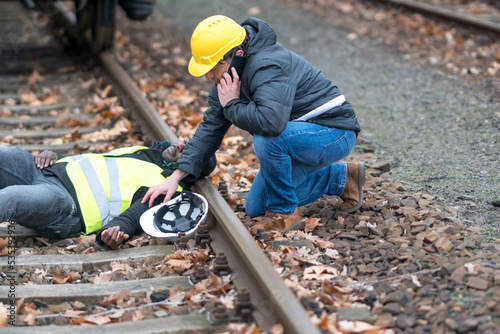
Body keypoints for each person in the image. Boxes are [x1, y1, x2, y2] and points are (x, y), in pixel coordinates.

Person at [143, 15, 364, 235]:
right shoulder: (230, 75)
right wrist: (176, 177)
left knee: (267, 139)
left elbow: (271, 123)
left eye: (212, 67)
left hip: (333, 131)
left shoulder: (268, 64)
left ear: (237, 55)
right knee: (256, 207)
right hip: (299, 136)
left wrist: (231, 104)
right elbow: (210, 130)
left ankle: (284, 213)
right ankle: (342, 178)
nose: (207, 75)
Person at [0, 139, 215, 248]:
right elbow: (96, 165)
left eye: (185, 150)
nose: (179, 144)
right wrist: (56, 156)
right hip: (47, 170)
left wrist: (111, 235)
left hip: (65, 202)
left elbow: (133, 217)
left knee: (11, 197)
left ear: (189, 167)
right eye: (185, 142)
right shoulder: (144, 152)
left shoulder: (167, 190)